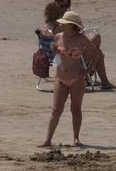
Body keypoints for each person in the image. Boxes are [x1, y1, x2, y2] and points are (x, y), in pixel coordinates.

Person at [41, 10, 102, 147]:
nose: (62, 25)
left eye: (65, 23)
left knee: (75, 109)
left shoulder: (81, 39)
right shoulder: (58, 37)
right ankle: (48, 139)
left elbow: (95, 54)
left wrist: (87, 71)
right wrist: (55, 52)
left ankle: (76, 138)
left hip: (77, 78)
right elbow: (55, 53)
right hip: (60, 77)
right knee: (56, 110)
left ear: (72, 25)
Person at [52, 0, 112, 88]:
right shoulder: (58, 24)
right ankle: (102, 80)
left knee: (97, 48)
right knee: (98, 51)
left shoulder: (63, 19)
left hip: (70, 59)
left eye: (66, 5)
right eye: (61, 6)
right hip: (70, 58)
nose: (64, 8)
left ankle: (97, 76)